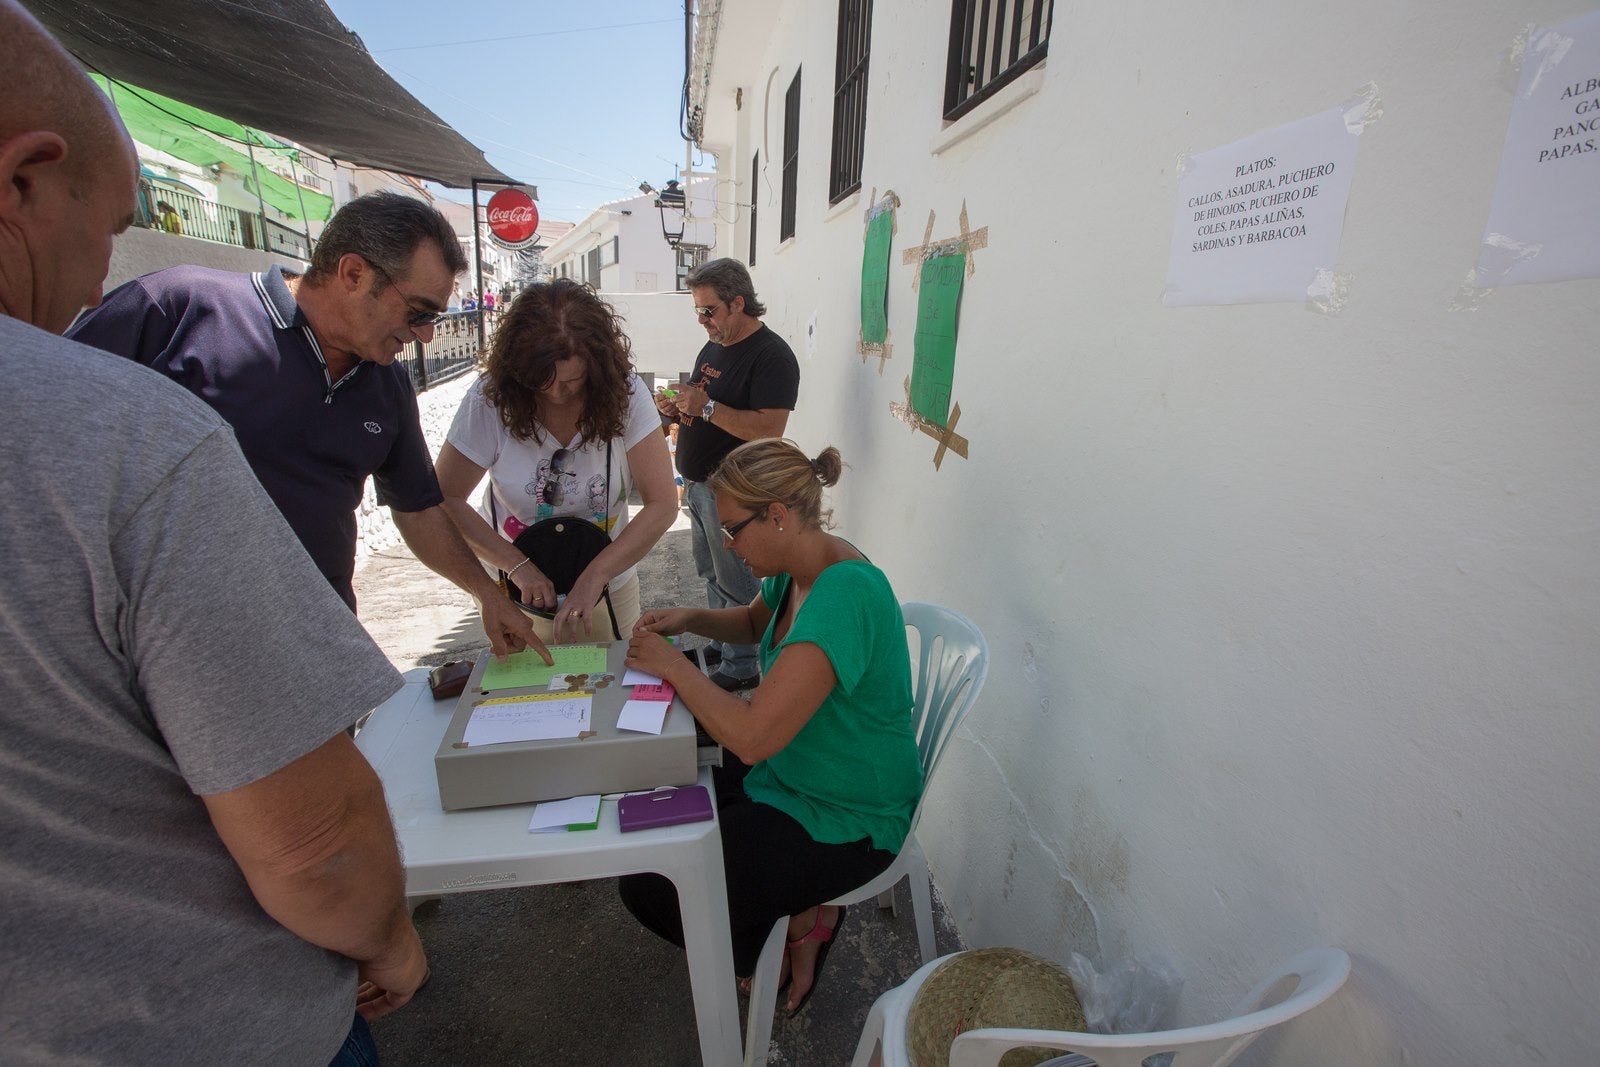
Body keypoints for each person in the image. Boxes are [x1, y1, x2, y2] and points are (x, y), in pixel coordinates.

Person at [0, 4, 425, 1062]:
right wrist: (388, 935)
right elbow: (315, 840)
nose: (98, 272)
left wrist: (499, 585)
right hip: (208, 1013)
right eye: (100, 224)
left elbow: (425, 510)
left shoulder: (381, 390)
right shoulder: (147, 378)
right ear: (23, 180)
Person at [67, 191, 547, 664]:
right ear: (354, 274)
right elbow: (42, 413)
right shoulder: (180, 310)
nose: (425, 334)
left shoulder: (388, 383)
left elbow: (418, 510)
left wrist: (487, 594)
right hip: (166, 648)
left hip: (317, 644)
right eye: (419, 312)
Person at [619, 439, 922, 1015]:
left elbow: (755, 736)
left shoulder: (844, 593)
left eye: (733, 529)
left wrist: (675, 667)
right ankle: (793, 917)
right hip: (798, 771)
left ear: (778, 516)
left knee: (654, 883)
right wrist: (691, 618)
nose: (728, 545)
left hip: (850, 813)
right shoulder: (798, 567)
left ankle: (778, 947)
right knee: (664, 808)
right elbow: (755, 620)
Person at [437, 279, 676, 642]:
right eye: (540, 382)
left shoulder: (626, 394)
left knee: (612, 685)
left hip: (609, 582)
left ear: (597, 370)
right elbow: (446, 497)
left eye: (571, 382)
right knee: (527, 692)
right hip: (513, 584)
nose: (555, 394)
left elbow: (662, 504)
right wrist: (517, 566)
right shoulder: (491, 398)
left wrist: (596, 575)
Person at [655, 258, 800, 691]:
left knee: (738, 580)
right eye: (697, 311)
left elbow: (768, 431)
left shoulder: (773, 356)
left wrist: (706, 408)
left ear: (738, 303)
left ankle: (742, 667)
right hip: (700, 486)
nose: (702, 321)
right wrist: (677, 407)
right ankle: (727, 639)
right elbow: (704, 402)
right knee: (712, 574)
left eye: (709, 310)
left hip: (733, 492)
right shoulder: (715, 345)